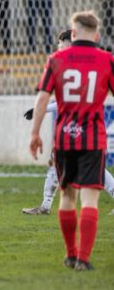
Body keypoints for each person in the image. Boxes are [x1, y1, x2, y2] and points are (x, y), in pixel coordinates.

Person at [30, 11, 112, 271]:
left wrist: (34, 133)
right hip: (93, 138)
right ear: (97, 36)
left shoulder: (56, 59)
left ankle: (70, 254)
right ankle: (83, 259)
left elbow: (42, 99)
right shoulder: (107, 60)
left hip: (64, 138)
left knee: (67, 197)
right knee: (89, 200)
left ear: (73, 34)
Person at [23, 30, 114, 215]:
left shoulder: (76, 66)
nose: (58, 47)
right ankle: (46, 205)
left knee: (92, 166)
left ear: (68, 43)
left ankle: (47, 205)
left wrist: (41, 109)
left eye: (60, 43)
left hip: (81, 123)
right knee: (59, 160)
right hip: (77, 124)